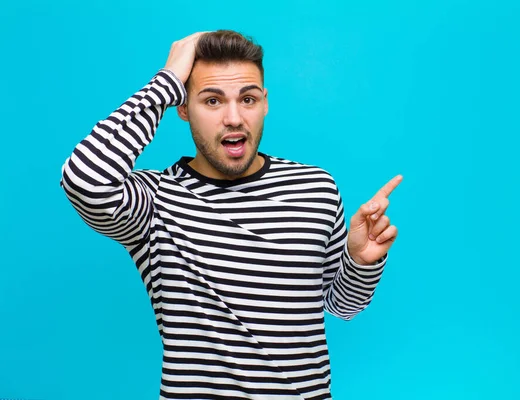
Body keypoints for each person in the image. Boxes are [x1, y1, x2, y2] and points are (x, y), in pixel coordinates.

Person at [60, 30, 402, 400]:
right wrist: (167, 80)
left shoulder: (315, 187)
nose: (234, 118)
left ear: (265, 103)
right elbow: (86, 180)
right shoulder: (156, 201)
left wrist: (360, 261)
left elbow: (341, 305)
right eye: (212, 101)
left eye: (248, 99)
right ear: (183, 107)